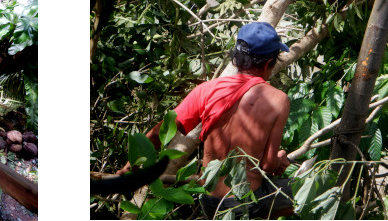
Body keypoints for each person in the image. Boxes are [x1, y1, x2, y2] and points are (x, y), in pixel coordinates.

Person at [117, 22, 294, 218]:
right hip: (246, 203)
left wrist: (130, 164)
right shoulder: (278, 99)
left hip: (209, 201)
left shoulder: (207, 90)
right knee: (313, 190)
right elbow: (268, 166)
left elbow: (162, 130)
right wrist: (279, 158)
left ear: (236, 57)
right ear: (270, 62)